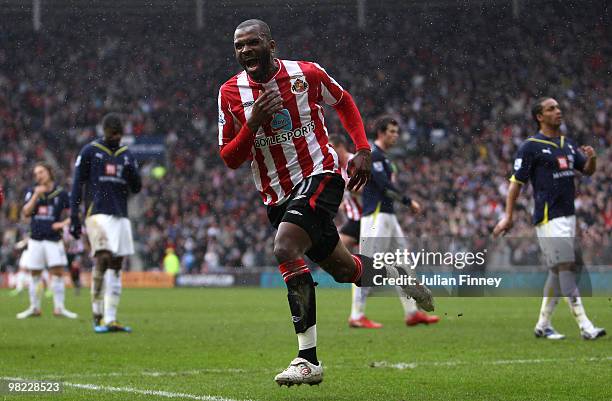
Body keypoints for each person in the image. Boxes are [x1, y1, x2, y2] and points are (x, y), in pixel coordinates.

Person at [218, 19, 433, 386]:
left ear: (271, 44)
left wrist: (363, 148)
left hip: (321, 173)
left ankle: (308, 360)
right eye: (239, 46)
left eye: (252, 43)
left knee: (285, 248)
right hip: (276, 195)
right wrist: (252, 124)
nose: (245, 51)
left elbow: (345, 102)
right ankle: (397, 276)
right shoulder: (230, 93)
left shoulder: (307, 74)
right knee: (345, 271)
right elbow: (230, 158)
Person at [493, 97, 605, 340]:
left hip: (568, 215)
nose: (558, 111)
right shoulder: (530, 146)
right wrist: (508, 216)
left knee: (556, 270)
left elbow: (587, 170)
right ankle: (585, 326)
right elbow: (516, 184)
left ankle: (542, 325)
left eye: (558, 107)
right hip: (548, 217)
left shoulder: (567, 144)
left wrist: (593, 158)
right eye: (551, 108)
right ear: (539, 117)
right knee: (567, 267)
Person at [360, 117, 440, 326]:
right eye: (392, 131)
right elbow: (384, 186)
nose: (395, 135)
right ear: (381, 132)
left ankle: (412, 312)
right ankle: (356, 315)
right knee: (367, 265)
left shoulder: (385, 158)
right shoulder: (374, 156)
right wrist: (408, 201)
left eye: (396, 132)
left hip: (388, 216)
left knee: (403, 263)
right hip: (376, 215)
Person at [70, 113, 142, 333]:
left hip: (120, 215)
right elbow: (77, 183)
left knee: (117, 264)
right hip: (97, 213)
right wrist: (74, 215)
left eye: (119, 136)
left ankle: (111, 318)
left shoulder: (127, 156)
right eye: (113, 135)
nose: (116, 139)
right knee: (103, 257)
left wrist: (133, 172)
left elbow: (136, 187)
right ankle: (97, 316)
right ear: (105, 132)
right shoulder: (90, 151)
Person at [329, 134, 382, 329]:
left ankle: (358, 311)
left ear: (341, 146)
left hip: (368, 219)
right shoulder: (334, 166)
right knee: (335, 250)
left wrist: (351, 191)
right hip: (355, 220)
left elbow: (368, 191)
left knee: (365, 263)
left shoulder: (355, 163)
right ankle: (358, 311)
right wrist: (344, 201)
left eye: (331, 146)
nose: (329, 149)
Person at [16, 162, 77, 319]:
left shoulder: (61, 193)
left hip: (53, 239)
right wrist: (36, 195)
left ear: (49, 172)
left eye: (41, 172)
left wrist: (62, 224)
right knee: (34, 274)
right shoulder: (32, 191)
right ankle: (34, 308)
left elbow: (74, 214)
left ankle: (59, 308)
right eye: (36, 174)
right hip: (35, 238)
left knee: (57, 273)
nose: (38, 176)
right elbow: (26, 212)